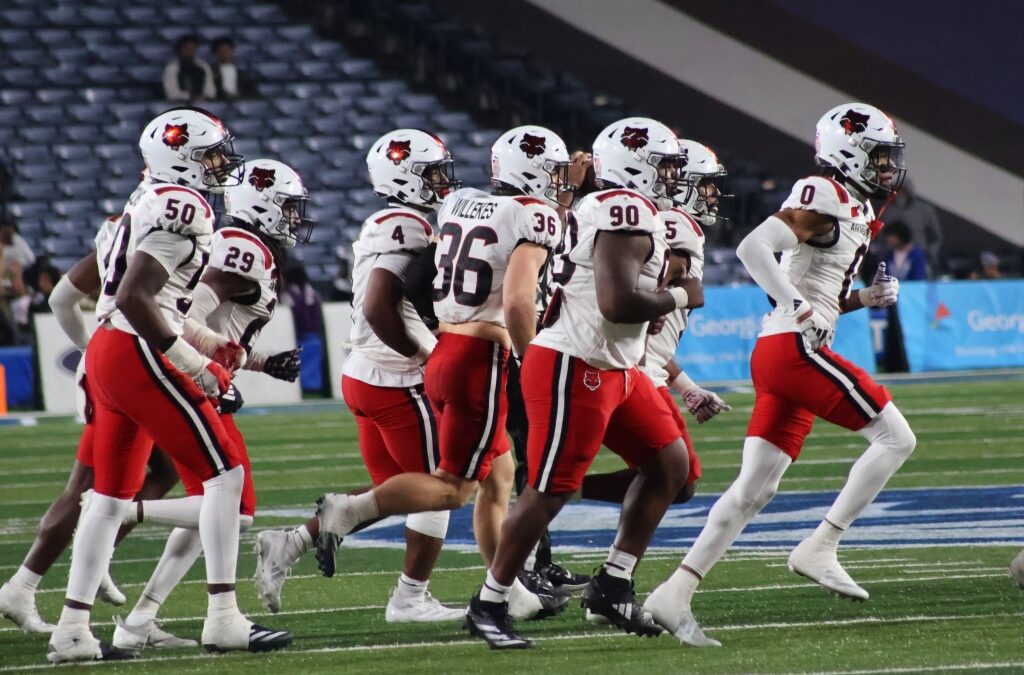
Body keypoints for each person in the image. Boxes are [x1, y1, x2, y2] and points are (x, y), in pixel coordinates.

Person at [644, 102, 916, 648]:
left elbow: (823, 294)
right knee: (896, 437)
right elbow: (754, 248)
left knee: (754, 489)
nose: (887, 168)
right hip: (791, 350)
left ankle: (673, 594)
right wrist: (795, 304)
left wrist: (864, 297)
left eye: (889, 158)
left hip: (787, 350)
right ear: (848, 152)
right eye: (878, 156)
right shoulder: (825, 192)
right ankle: (821, 544)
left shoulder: (852, 207)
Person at [46, 107, 290, 662]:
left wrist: (215, 353)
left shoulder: (147, 198)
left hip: (111, 345)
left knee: (107, 499)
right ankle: (224, 616)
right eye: (210, 154)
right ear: (181, 159)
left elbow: (142, 298)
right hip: (136, 343)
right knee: (224, 478)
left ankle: (72, 630)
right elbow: (139, 296)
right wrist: (196, 364)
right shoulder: (184, 207)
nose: (220, 163)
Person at [313, 125, 574, 621]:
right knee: (454, 488)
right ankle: (347, 512)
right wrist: (533, 357)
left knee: (500, 473)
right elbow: (518, 298)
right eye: (554, 172)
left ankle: (507, 589)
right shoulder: (520, 215)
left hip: (446, 348)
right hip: (476, 355)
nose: (440, 181)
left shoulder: (460, 205)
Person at [464, 117, 702, 649]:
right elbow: (616, 303)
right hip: (577, 362)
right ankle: (489, 601)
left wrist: (660, 297)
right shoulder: (625, 208)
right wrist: (681, 295)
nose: (670, 176)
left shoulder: (610, 207)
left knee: (670, 465)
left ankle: (613, 583)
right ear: (635, 165)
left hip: (614, 363)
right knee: (552, 487)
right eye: (663, 164)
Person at [256, 131, 469, 623]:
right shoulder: (406, 225)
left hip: (366, 374)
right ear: (405, 175)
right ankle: (410, 599)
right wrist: (424, 356)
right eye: (432, 171)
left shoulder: (395, 221)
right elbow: (378, 305)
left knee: (392, 492)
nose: (442, 180)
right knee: (439, 488)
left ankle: (291, 542)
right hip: (397, 377)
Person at [111, 159, 308, 653]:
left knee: (215, 512)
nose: (292, 217)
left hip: (191, 375)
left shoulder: (238, 244)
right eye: (285, 207)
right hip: (191, 379)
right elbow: (186, 311)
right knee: (232, 509)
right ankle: (127, 514)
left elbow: (210, 320)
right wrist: (204, 370)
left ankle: (139, 620)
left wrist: (257, 362)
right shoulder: (245, 248)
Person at [0, 216, 181, 636]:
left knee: (165, 470)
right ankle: (24, 585)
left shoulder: (132, 223)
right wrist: (97, 351)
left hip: (125, 364)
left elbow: (62, 298)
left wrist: (92, 350)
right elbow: (64, 298)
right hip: (132, 368)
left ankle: (93, 559)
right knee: (90, 486)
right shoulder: (167, 227)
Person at [881, 178, 943, 274]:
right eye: (897, 191)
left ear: (909, 191)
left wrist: (929, 254)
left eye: (903, 191)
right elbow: (880, 237)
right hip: (893, 259)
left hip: (920, 256)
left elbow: (936, 237)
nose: (900, 194)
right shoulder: (887, 211)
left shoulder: (924, 210)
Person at [163, 35, 216, 104]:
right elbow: (172, 94)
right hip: (179, 104)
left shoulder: (203, 66)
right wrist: (190, 97)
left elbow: (210, 89)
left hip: (202, 102)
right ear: (179, 50)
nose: (190, 52)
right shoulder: (172, 67)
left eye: (193, 49)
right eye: (186, 49)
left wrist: (204, 97)